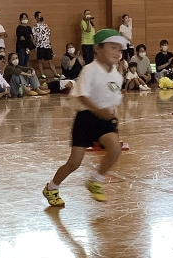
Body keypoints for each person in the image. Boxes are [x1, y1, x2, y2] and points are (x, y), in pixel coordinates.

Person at [43, 29, 128, 206]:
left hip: (106, 120)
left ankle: (96, 180)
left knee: (115, 150)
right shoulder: (89, 70)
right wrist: (99, 111)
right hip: (86, 119)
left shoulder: (116, 75)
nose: (117, 52)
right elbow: (82, 96)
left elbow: (114, 99)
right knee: (74, 163)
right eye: (112, 47)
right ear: (98, 48)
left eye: (119, 49)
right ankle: (51, 187)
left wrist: (113, 117)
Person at [32, 11, 57, 79]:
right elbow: (34, 39)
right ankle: (42, 74)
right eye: (40, 16)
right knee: (40, 61)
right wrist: (35, 47)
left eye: (42, 16)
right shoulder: (34, 27)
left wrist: (51, 47)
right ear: (36, 18)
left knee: (50, 60)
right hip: (40, 46)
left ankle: (55, 74)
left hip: (47, 46)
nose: (41, 17)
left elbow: (48, 37)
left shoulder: (46, 26)